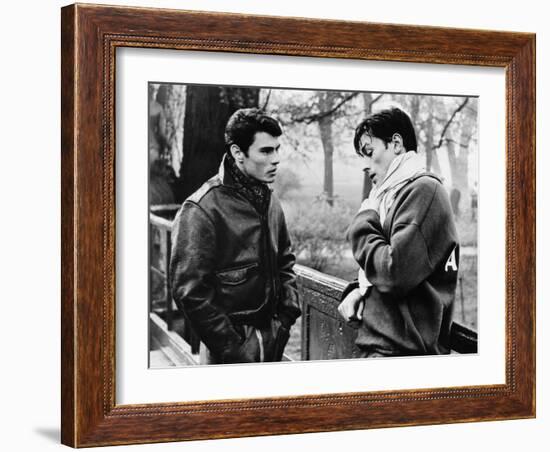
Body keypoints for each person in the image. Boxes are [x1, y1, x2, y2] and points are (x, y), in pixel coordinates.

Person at [169, 108, 301, 364]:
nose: (276, 159)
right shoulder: (202, 207)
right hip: (228, 350)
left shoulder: (270, 201)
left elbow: (285, 261)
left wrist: (285, 320)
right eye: (265, 151)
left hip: (273, 339)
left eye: (277, 149)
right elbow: (189, 291)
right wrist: (232, 346)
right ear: (237, 153)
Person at [338, 107, 460, 357]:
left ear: (396, 143)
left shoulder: (424, 191)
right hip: (385, 346)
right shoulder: (395, 195)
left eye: (369, 152)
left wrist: (363, 221)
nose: (364, 165)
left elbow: (394, 272)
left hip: (400, 353)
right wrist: (358, 288)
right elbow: (392, 253)